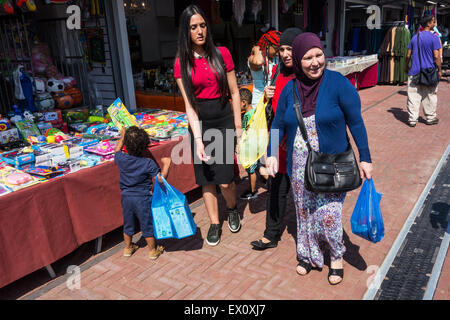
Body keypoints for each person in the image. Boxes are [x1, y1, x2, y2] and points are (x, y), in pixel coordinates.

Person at [266, 33, 373, 285]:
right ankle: (307, 254)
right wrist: (271, 153)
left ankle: (336, 256)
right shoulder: (290, 89)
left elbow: (356, 122)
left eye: (319, 55)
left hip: (333, 163)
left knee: (329, 213)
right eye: (308, 57)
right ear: (298, 60)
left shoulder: (338, 83)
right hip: (299, 164)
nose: (315, 62)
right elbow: (277, 125)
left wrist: (365, 157)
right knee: (304, 213)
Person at [174, 5, 243, 246]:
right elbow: (189, 106)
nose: (199, 31)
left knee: (225, 180)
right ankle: (215, 223)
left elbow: (234, 91)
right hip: (200, 123)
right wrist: (198, 139)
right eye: (193, 27)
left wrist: (238, 125)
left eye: (202, 25)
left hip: (223, 119)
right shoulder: (180, 63)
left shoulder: (222, 53)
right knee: (206, 179)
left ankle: (232, 208)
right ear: (186, 31)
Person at [250, 27, 303, 250]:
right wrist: (266, 95)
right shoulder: (277, 73)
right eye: (281, 49)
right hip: (276, 141)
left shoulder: (305, 75)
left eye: (290, 48)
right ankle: (271, 235)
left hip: (298, 144)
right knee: (276, 190)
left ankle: (308, 238)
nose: (285, 53)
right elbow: (272, 109)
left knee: (303, 194)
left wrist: (291, 137)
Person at [114, 126, 168, 260]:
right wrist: (167, 164)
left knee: (128, 223)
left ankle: (127, 248)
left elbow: (117, 150)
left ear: (126, 145)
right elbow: (160, 180)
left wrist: (122, 137)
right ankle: (152, 251)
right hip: (143, 198)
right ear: (145, 146)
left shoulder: (121, 158)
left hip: (126, 198)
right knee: (147, 224)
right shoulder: (148, 163)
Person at [404, 15, 442, 127]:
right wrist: (439, 69)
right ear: (428, 23)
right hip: (429, 72)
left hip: (414, 71)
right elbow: (436, 56)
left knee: (413, 96)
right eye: (433, 21)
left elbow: (408, 55)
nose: (434, 24)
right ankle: (430, 118)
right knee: (430, 95)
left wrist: (406, 66)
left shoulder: (414, 37)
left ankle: (412, 120)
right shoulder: (434, 38)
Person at [239, 87, 263, 200]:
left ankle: (253, 192)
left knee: (251, 170)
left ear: (244, 102)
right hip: (257, 146)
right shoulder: (255, 112)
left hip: (251, 148)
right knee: (259, 167)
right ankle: (272, 185)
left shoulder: (246, 117)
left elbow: (245, 133)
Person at [248, 30, 281, 109]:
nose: (278, 53)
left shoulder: (275, 58)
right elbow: (259, 62)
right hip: (260, 102)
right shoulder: (254, 57)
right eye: (276, 49)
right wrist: (256, 49)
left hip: (273, 101)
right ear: (267, 45)